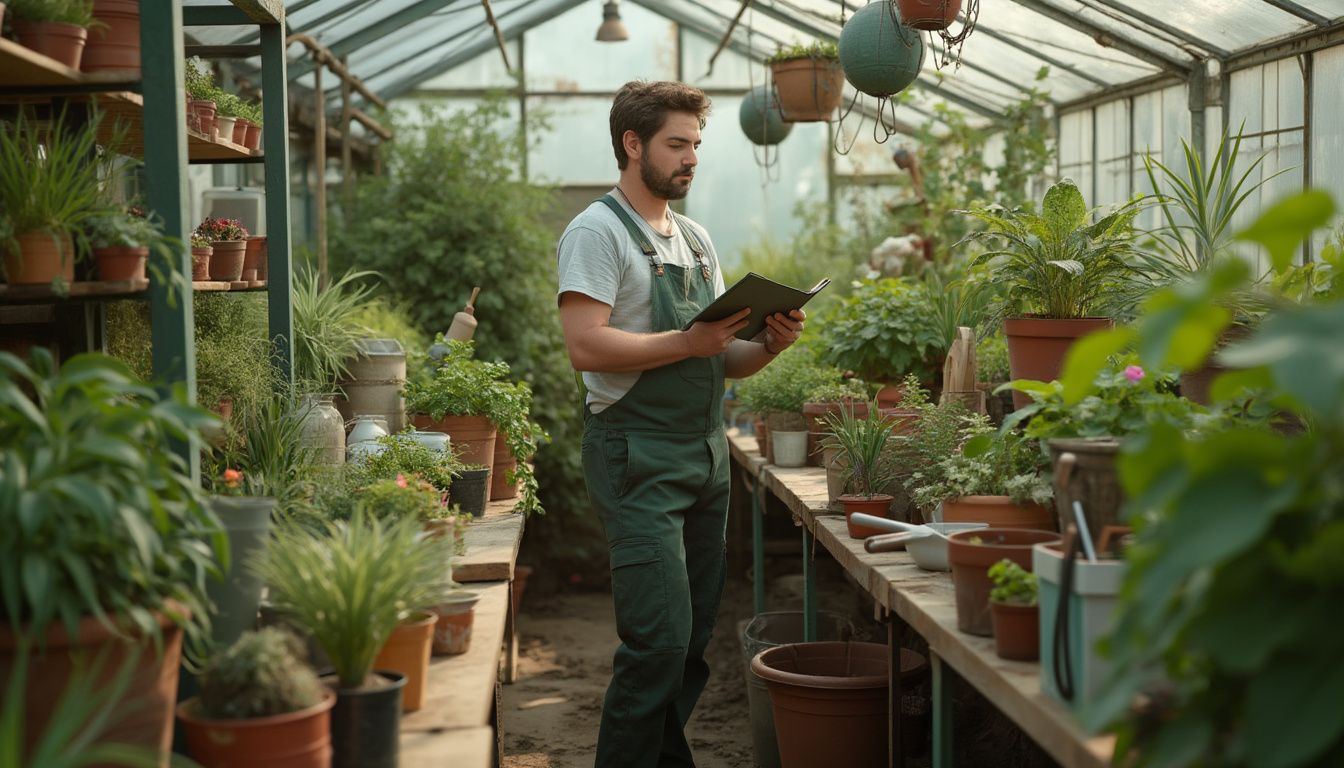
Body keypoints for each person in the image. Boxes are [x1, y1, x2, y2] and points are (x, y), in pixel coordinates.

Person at [555, 80, 805, 768]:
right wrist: (687, 344)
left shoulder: (694, 239)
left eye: (696, 144)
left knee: (691, 639)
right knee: (656, 643)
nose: (691, 157)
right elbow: (586, 343)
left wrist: (772, 343)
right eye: (677, 144)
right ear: (633, 145)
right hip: (636, 458)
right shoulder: (596, 232)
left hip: (704, 457)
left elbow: (725, 360)